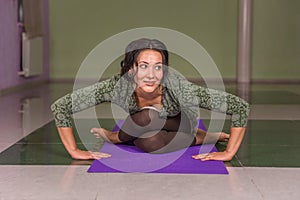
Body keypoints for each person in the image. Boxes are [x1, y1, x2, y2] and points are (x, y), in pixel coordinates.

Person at [51, 38, 250, 161]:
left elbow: (240, 107)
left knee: (147, 119)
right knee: (148, 139)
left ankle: (205, 136)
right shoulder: (116, 86)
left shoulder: (179, 87)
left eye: (158, 67)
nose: (151, 74)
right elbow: (61, 107)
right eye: (144, 66)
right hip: (143, 123)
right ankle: (115, 137)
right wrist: (74, 151)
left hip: (180, 123)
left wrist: (229, 153)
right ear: (131, 69)